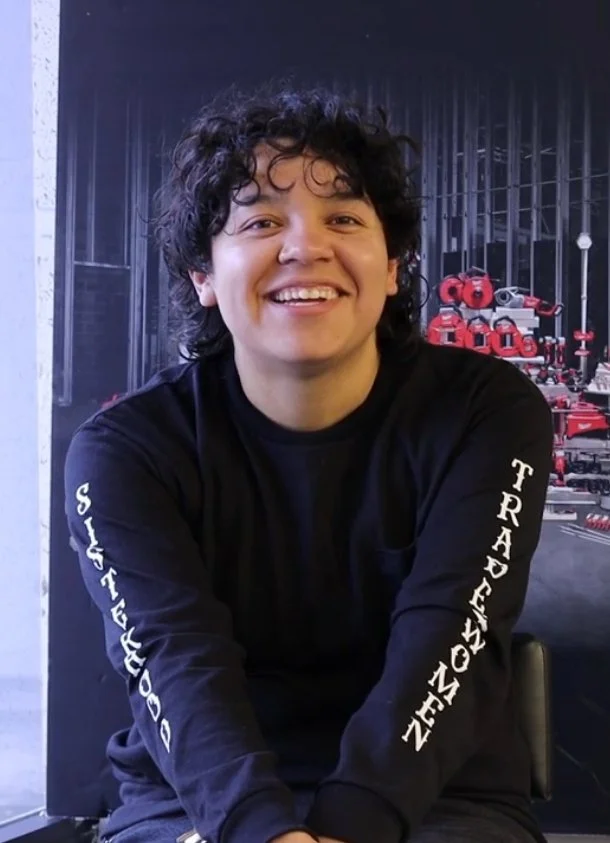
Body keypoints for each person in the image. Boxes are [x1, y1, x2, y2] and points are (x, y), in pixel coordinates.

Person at [64, 85, 553, 843]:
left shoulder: (485, 413)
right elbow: (172, 660)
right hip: (197, 805)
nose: (305, 245)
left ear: (392, 265)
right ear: (204, 275)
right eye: (260, 220)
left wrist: (352, 823)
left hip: (441, 803)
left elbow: (453, 628)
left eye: (345, 218)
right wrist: (264, 831)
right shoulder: (127, 451)